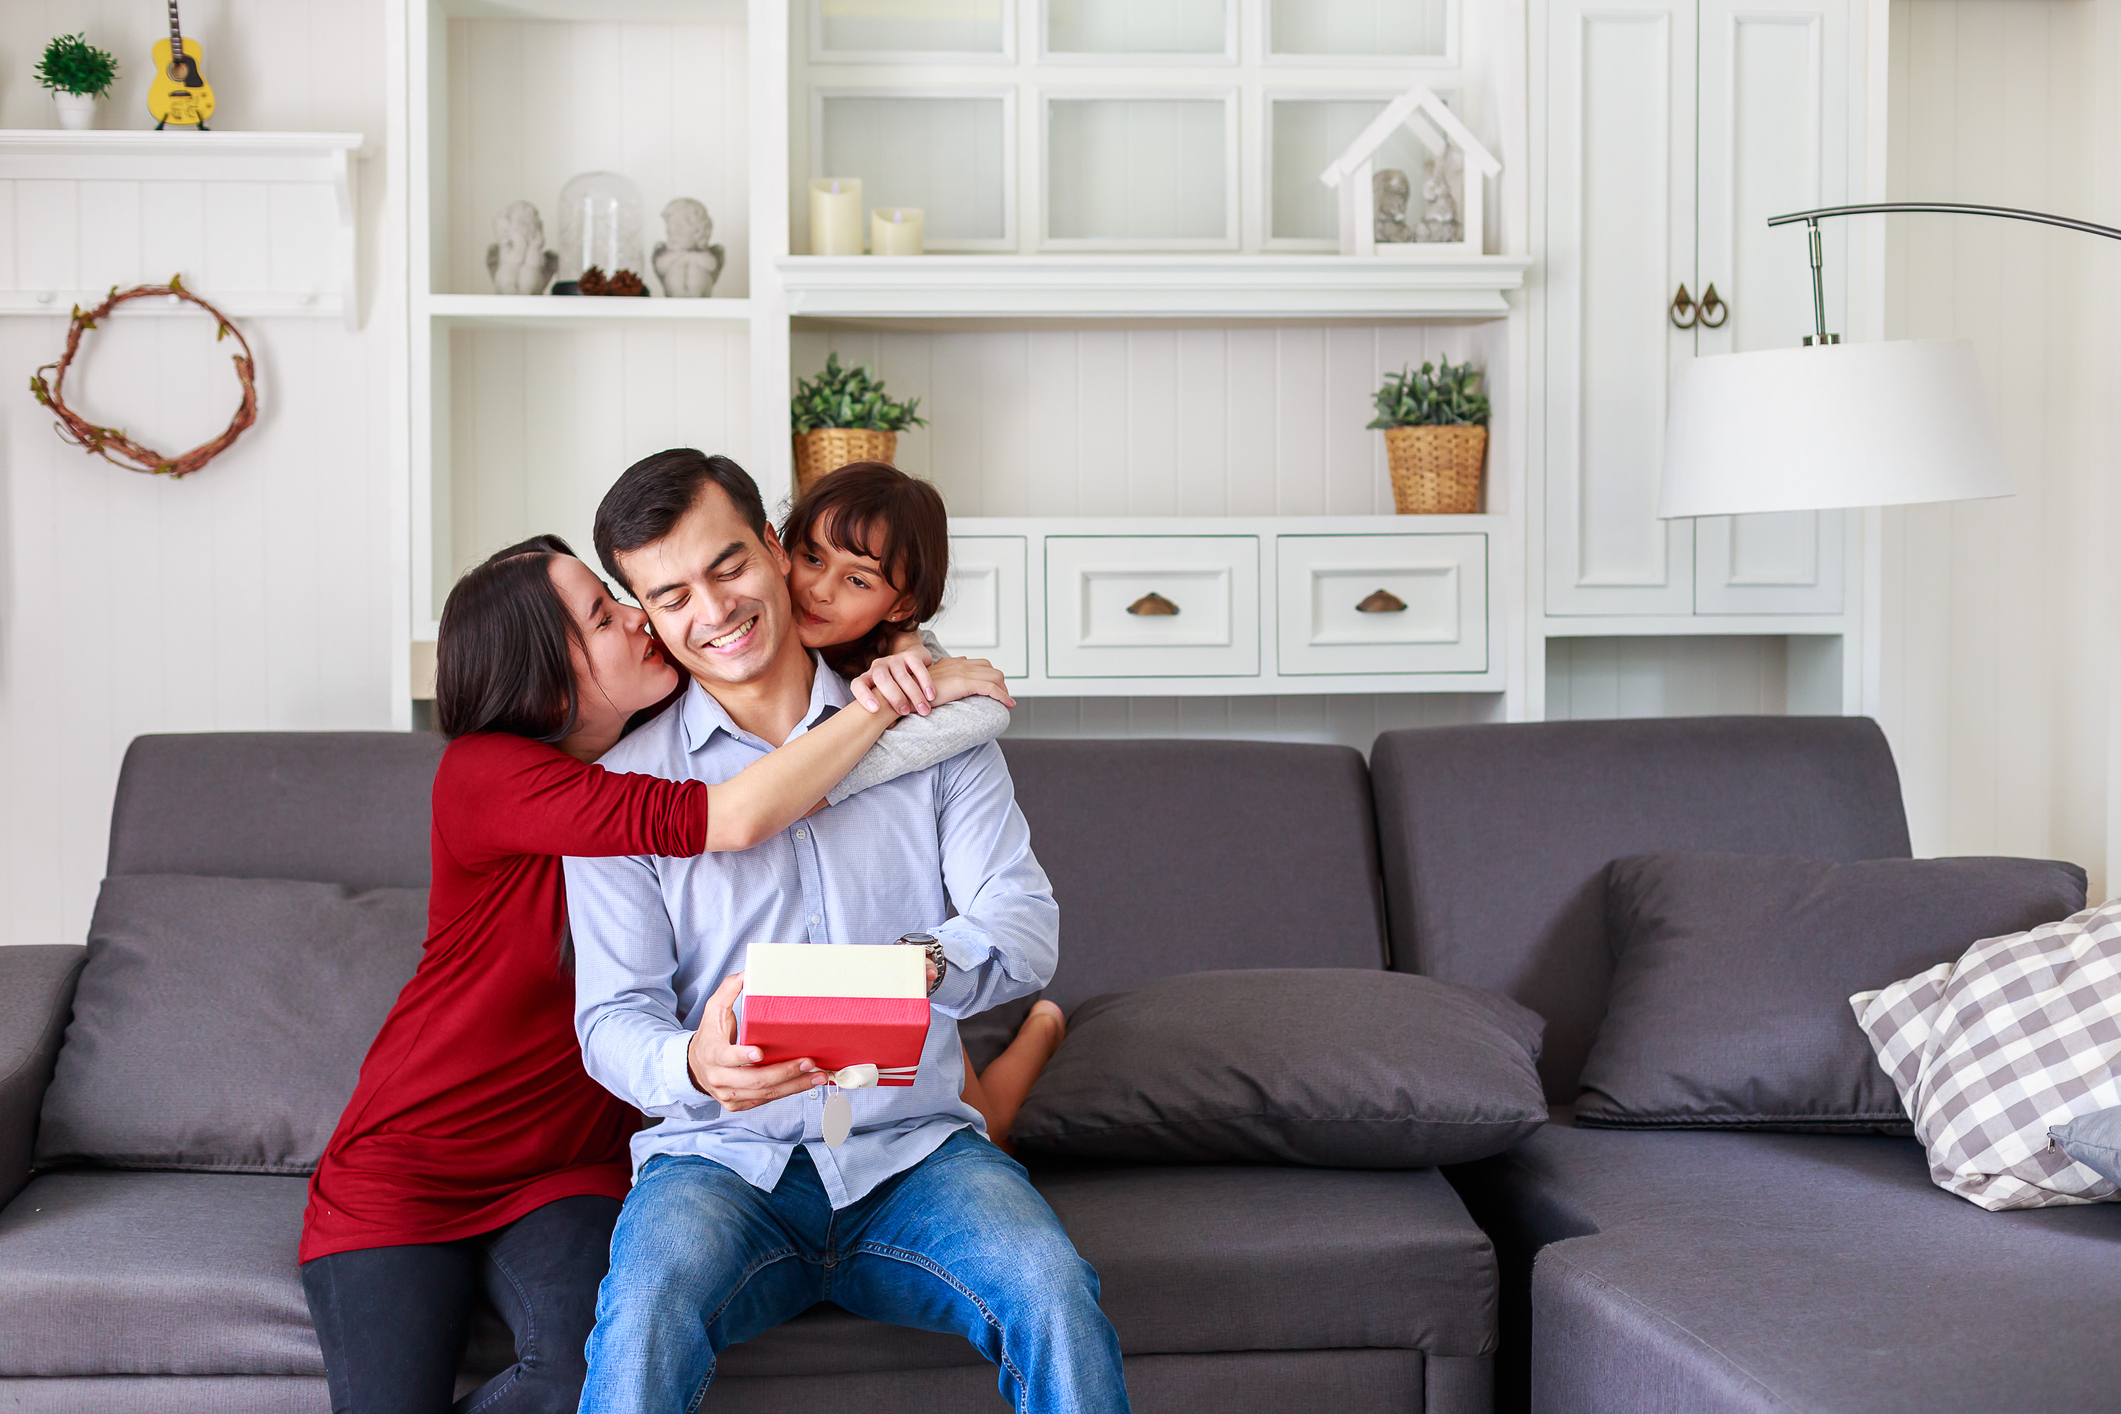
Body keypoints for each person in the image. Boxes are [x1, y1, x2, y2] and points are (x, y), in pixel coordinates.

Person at [298, 533, 1015, 1414]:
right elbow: (744, 812)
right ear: (546, 670)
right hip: (415, 1161)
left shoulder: (662, 734)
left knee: (585, 1378)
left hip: (570, 1165)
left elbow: (823, 717)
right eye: (604, 615)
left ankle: (1040, 1032)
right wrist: (897, 700)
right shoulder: (493, 774)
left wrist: (912, 663)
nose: (644, 618)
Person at [565, 449, 1130, 1414]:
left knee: (1053, 1290)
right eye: (669, 596)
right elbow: (610, 1017)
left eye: (728, 566)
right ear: (648, 615)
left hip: (915, 1151)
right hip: (721, 1162)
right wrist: (696, 1066)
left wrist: (913, 966)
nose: (711, 611)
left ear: (778, 554)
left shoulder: (937, 729)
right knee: (644, 1310)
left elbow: (1026, 929)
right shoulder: (626, 793)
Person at [783, 460, 1067, 1147]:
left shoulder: (918, 679)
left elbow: (983, 712)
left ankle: (1046, 1023)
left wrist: (806, 785)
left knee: (985, 1129)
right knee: (986, 1119)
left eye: (857, 579)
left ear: (901, 605)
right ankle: (1043, 1023)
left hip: (892, 983)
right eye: (808, 555)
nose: (817, 589)